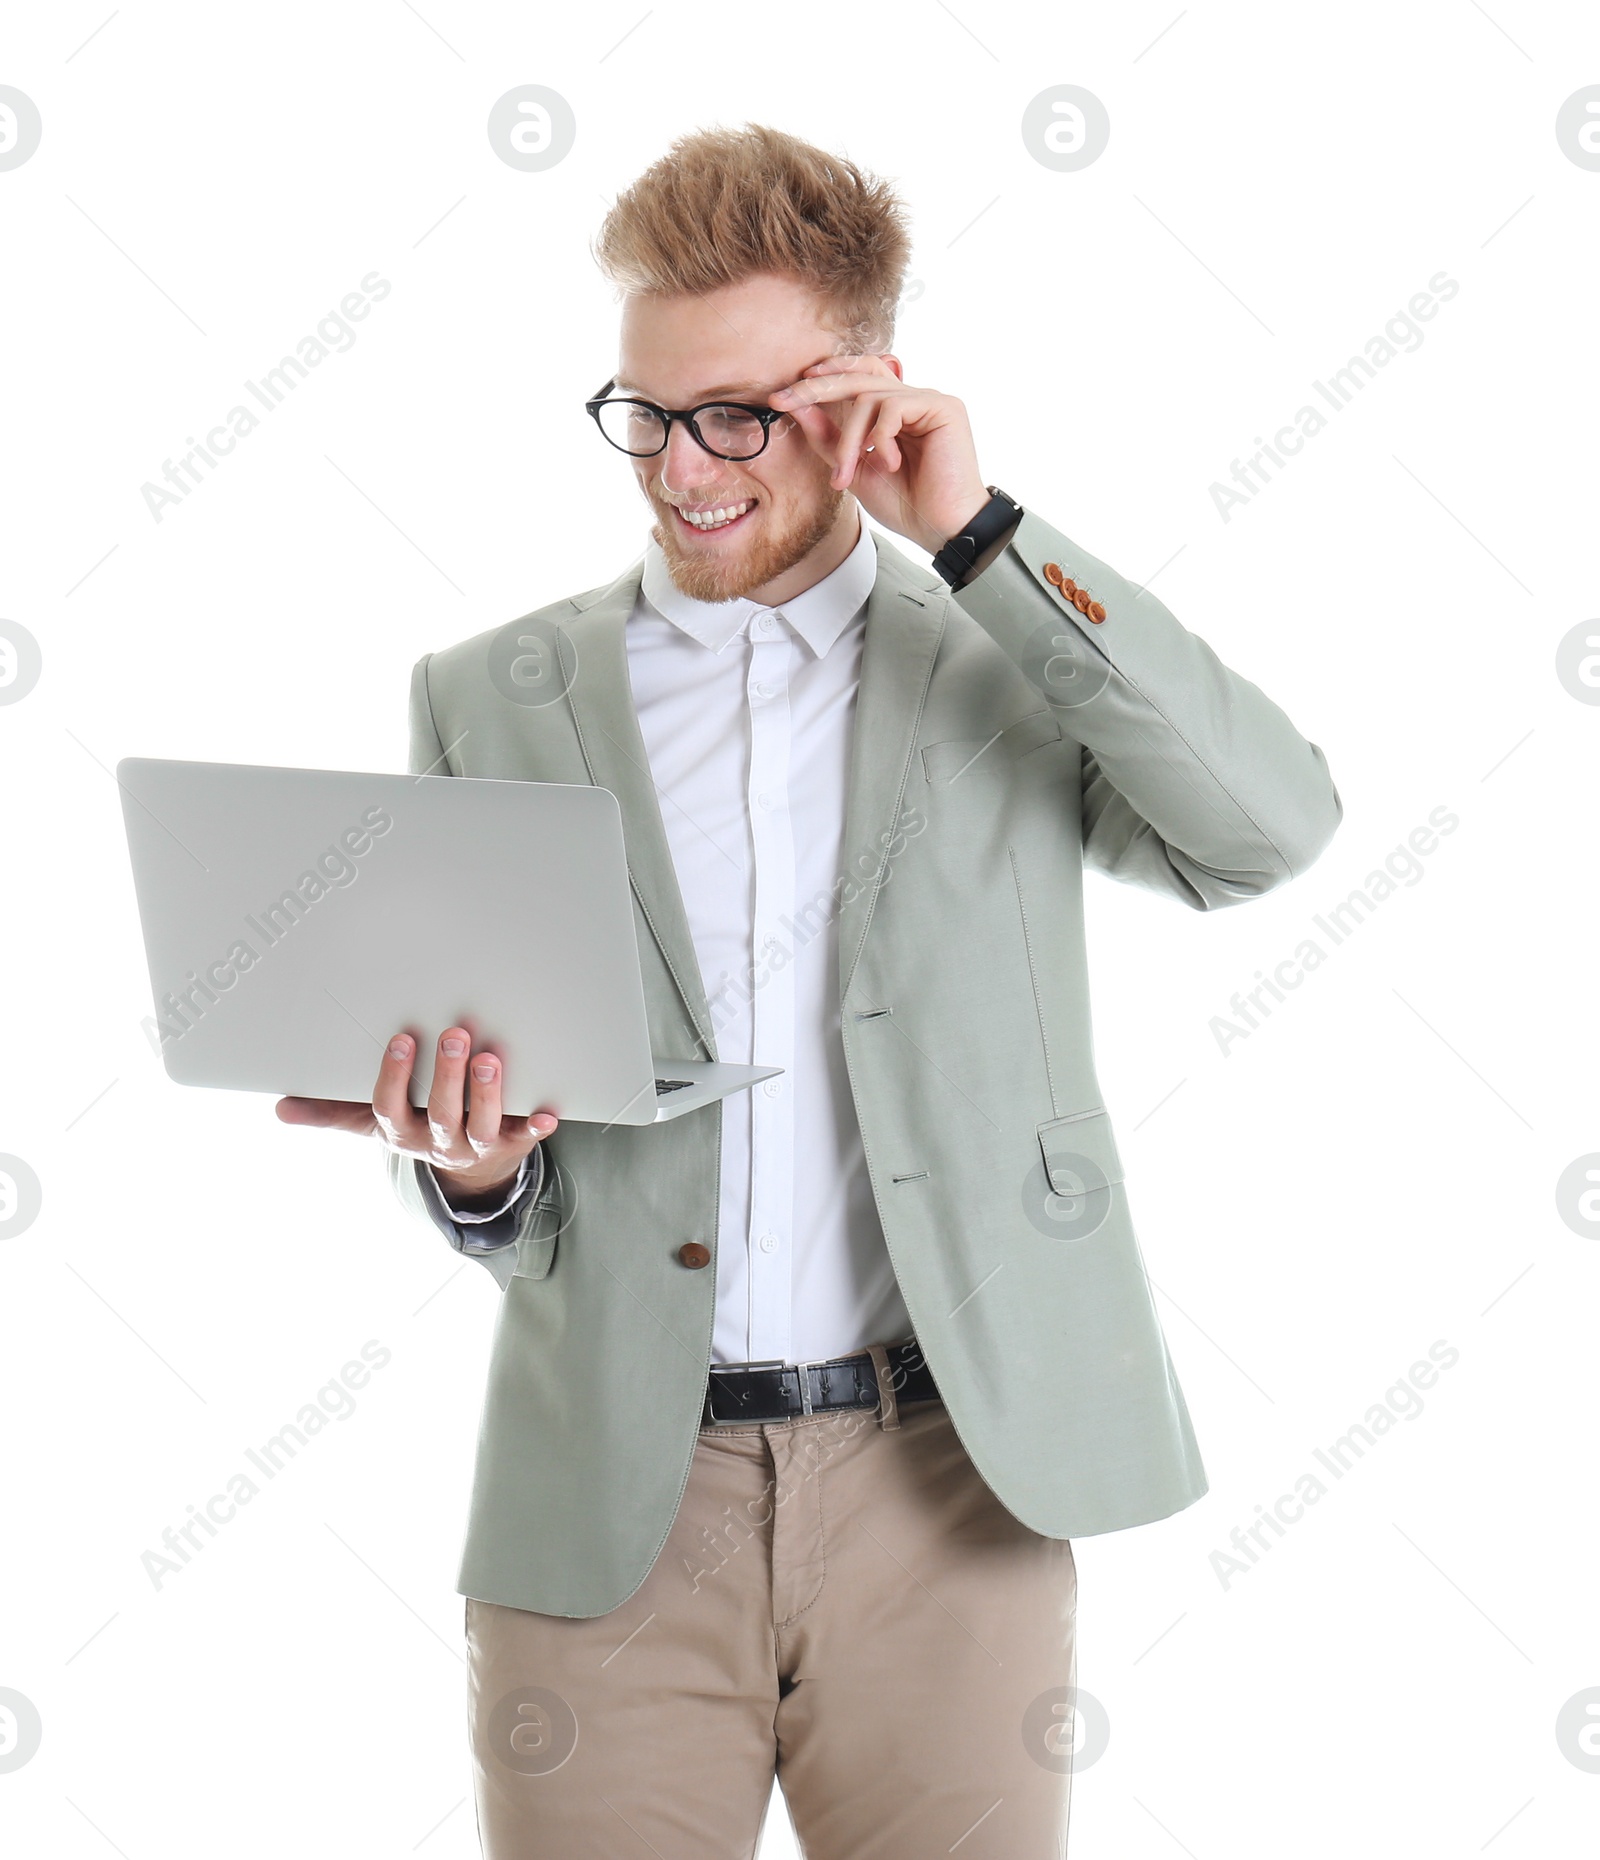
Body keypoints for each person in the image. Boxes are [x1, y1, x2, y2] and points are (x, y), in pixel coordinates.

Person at [278, 122, 1341, 1858]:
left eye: (738, 417)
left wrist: (984, 534)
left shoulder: (1009, 658)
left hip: (952, 1496)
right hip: (612, 1512)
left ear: (867, 394)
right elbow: (515, 1190)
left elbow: (1265, 832)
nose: (681, 469)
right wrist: (473, 1174)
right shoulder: (492, 697)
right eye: (647, 412)